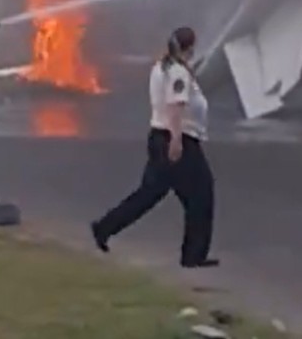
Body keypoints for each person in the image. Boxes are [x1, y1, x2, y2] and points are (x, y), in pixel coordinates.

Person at [89, 26, 218, 269]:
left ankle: (105, 227)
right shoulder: (177, 72)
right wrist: (177, 140)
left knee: (149, 195)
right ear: (188, 48)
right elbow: (175, 107)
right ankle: (193, 255)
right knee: (202, 195)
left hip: (161, 137)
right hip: (180, 141)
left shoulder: (161, 67)